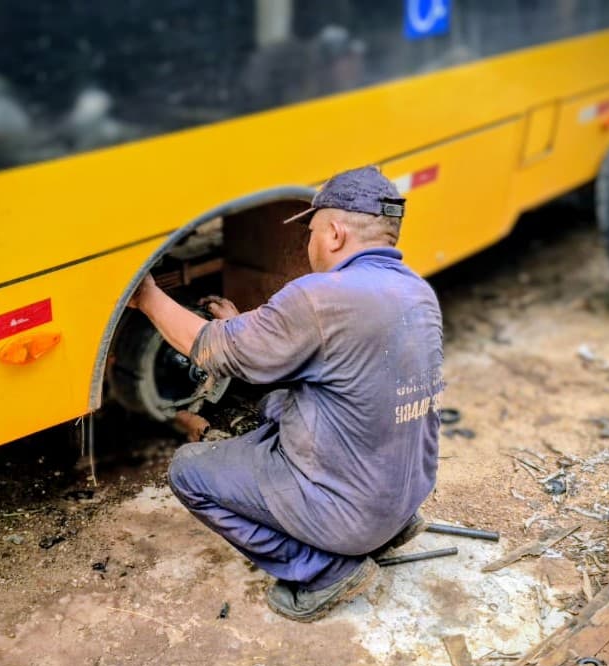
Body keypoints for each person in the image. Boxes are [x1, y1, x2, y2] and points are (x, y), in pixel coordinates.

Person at [128, 166, 444, 622]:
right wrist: (246, 328)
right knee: (275, 406)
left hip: (354, 517)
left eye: (311, 232)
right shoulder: (415, 291)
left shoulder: (321, 295)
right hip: (405, 494)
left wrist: (150, 297)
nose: (309, 244)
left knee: (189, 472)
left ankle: (325, 568)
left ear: (334, 234)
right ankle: (386, 528)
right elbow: (333, 360)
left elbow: (212, 351)